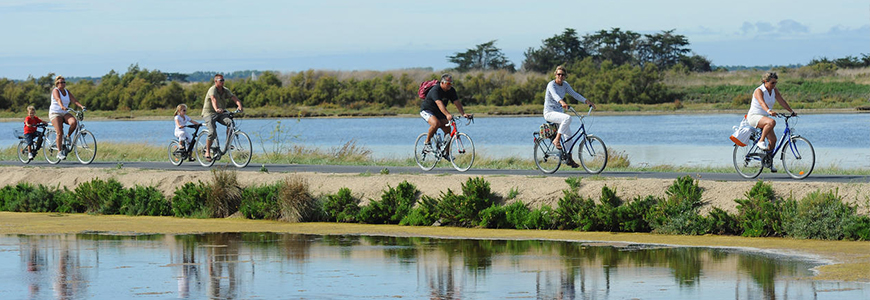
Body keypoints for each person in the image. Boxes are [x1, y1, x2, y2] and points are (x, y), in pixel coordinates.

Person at [543, 66, 595, 168]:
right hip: (549, 113)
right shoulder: (551, 85)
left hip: (559, 113)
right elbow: (555, 96)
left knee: (569, 137)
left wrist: (587, 101)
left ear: (565, 76)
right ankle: (556, 140)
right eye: (558, 74)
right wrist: (562, 102)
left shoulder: (565, 85)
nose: (560, 76)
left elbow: (575, 94)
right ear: (555, 75)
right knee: (567, 118)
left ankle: (569, 159)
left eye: (562, 75)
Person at [746, 72, 796, 172]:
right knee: (771, 122)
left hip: (764, 117)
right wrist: (769, 111)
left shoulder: (774, 90)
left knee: (773, 140)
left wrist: (791, 111)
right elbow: (762, 103)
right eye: (772, 83)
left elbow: (781, 101)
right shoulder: (759, 91)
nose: (774, 85)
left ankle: (768, 162)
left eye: (775, 83)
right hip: (754, 116)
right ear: (765, 81)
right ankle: (761, 141)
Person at [420, 74, 469, 150]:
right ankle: (427, 142)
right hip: (427, 110)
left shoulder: (451, 90)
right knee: (436, 123)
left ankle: (446, 152)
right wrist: (447, 114)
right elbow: (439, 103)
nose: (450, 85)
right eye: (448, 83)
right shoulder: (435, 90)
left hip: (439, 112)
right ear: (442, 83)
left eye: (451, 83)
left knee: (448, 129)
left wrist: (463, 113)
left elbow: (457, 102)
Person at [201, 74, 243, 160]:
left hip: (220, 112)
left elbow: (234, 97)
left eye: (223, 80)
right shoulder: (212, 89)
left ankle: (228, 143)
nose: (223, 82)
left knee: (230, 122)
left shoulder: (225, 90)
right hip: (209, 113)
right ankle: (207, 152)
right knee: (212, 132)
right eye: (221, 80)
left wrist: (239, 106)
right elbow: (213, 99)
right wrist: (216, 108)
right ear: (216, 81)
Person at [49, 76, 86, 160]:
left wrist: (81, 106)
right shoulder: (55, 90)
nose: (63, 84)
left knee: (74, 122)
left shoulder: (67, 91)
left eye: (64, 82)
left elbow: (74, 100)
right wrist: (61, 106)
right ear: (57, 83)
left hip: (64, 112)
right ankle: (59, 152)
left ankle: (68, 137)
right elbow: (58, 99)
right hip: (55, 113)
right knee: (59, 132)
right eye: (61, 82)